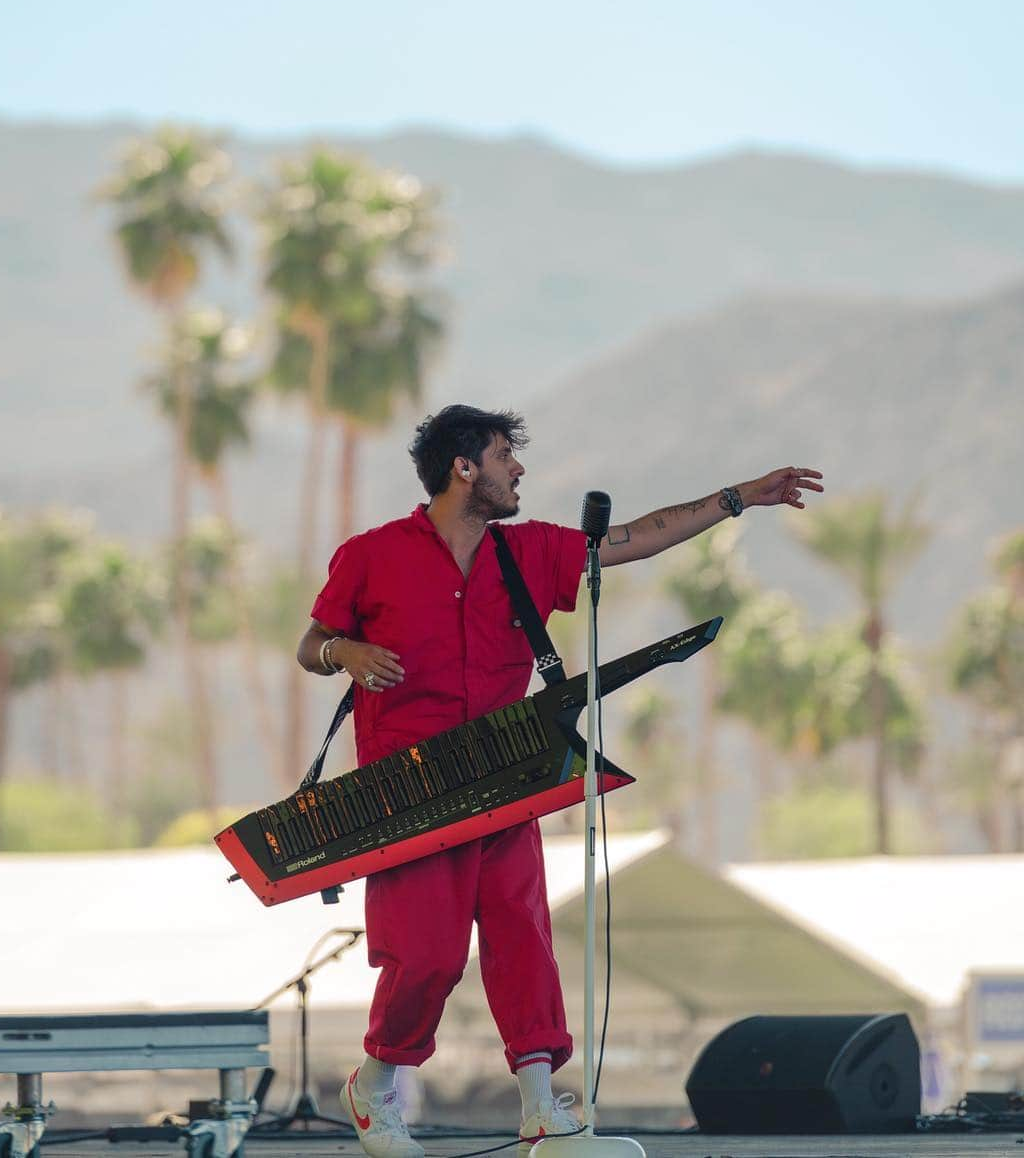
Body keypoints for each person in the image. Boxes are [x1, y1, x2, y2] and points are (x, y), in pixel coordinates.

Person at [297, 404, 823, 1158]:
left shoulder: (532, 550)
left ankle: (544, 1111)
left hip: (508, 775)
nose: (520, 470)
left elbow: (643, 537)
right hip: (409, 793)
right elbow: (310, 645)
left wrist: (740, 496)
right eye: (506, 455)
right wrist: (344, 653)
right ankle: (375, 1084)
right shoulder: (372, 555)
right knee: (428, 956)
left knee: (523, 941)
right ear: (464, 468)